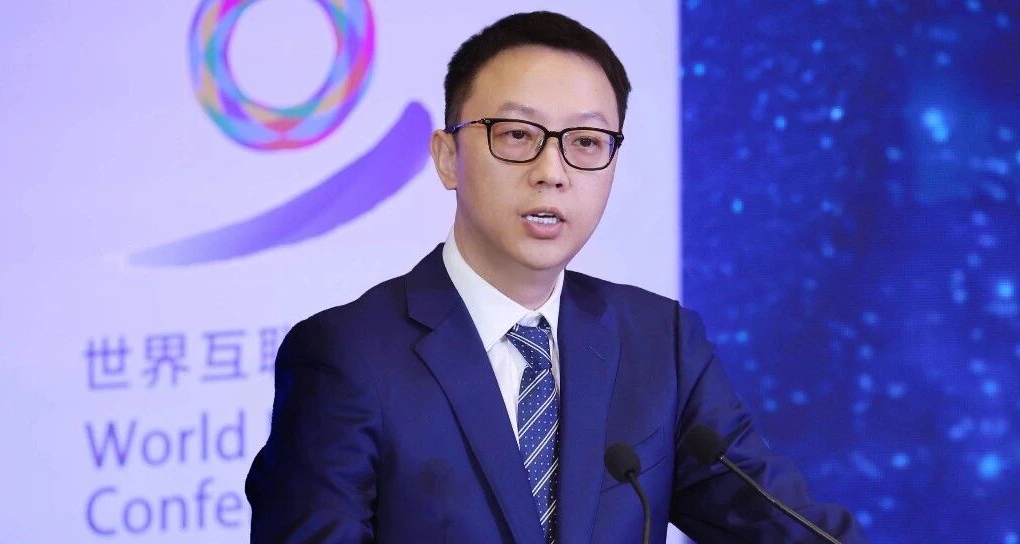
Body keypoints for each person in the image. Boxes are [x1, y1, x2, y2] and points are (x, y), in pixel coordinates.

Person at [245, 10, 865, 544]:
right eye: (518, 135)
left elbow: (777, 521)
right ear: (447, 157)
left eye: (586, 142)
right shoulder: (348, 356)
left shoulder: (660, 342)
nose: (552, 171)